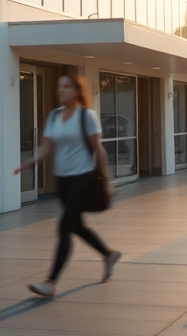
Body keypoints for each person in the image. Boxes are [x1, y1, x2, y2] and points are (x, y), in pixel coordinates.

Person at [14, 74, 121, 298]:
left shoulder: (86, 116)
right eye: (58, 86)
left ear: (77, 91)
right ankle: (108, 254)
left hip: (84, 177)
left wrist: (105, 180)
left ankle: (50, 282)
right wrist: (30, 161)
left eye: (65, 86)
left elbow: (98, 150)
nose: (60, 90)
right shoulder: (54, 116)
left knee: (64, 228)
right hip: (62, 180)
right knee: (76, 226)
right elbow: (46, 147)